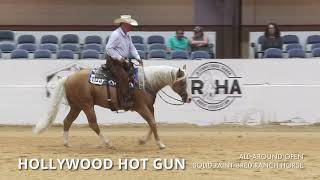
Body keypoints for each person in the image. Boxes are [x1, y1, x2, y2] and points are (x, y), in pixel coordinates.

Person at [105, 15, 143, 110]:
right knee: (124, 77)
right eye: (129, 25)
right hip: (113, 61)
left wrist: (138, 57)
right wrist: (119, 58)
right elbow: (109, 48)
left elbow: (132, 47)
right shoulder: (116, 34)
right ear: (124, 24)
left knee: (134, 74)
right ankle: (125, 100)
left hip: (123, 61)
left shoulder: (127, 35)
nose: (131, 27)